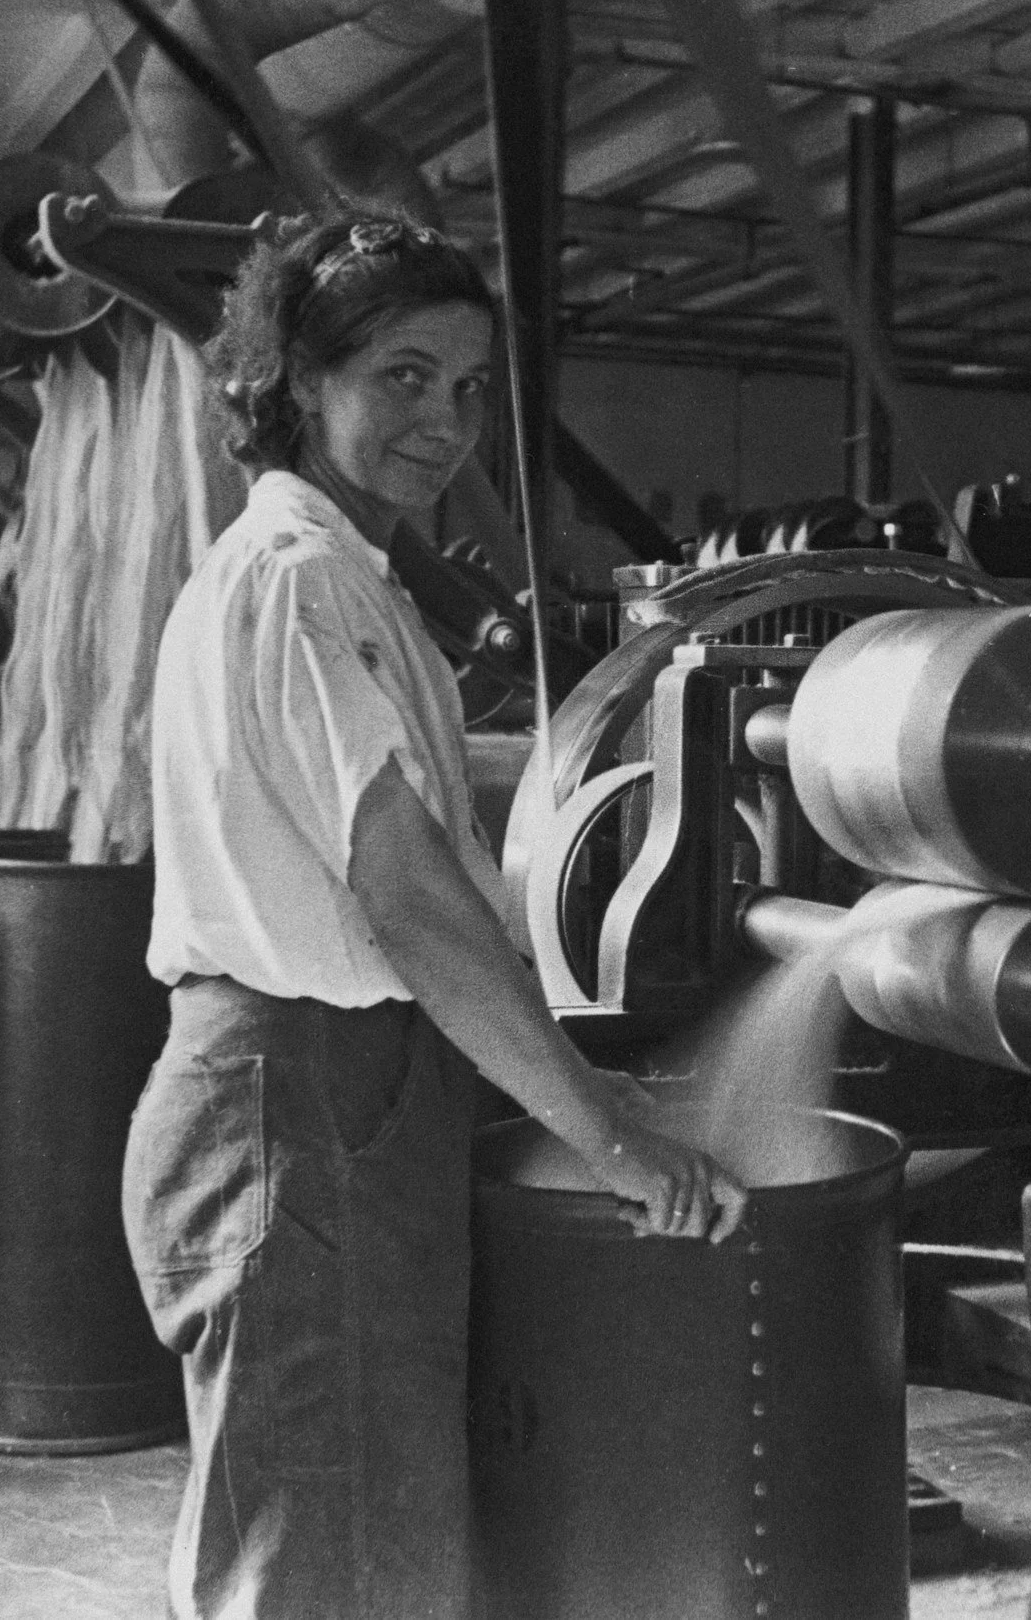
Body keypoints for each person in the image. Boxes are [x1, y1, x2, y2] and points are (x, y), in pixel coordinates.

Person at [123, 212, 748, 1620]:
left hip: (350, 1108)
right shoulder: (300, 581)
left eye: (467, 388)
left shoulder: (344, 577)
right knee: (329, 1573)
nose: (444, 420)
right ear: (298, 380)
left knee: (362, 1551)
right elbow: (403, 894)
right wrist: (604, 1132)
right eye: (402, 376)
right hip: (305, 1107)